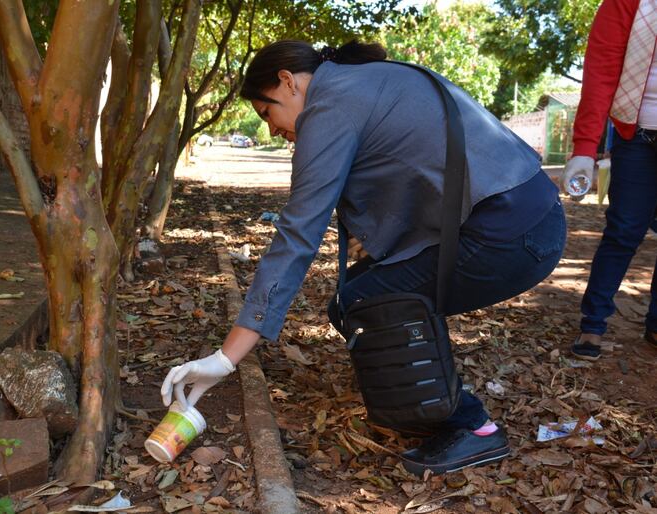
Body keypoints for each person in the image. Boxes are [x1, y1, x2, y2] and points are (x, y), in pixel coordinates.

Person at [160, 40, 566, 476]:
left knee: (366, 302)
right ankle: (425, 403)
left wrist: (225, 359)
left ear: (287, 81)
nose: (272, 130)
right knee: (354, 296)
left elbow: (297, 236)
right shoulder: (363, 80)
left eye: (266, 113)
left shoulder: (329, 107)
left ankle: (472, 426)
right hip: (529, 215)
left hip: (512, 234)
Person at [563, 0, 657, 361]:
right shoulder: (626, 3)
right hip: (638, 137)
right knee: (623, 230)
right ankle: (594, 323)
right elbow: (601, 74)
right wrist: (585, 148)